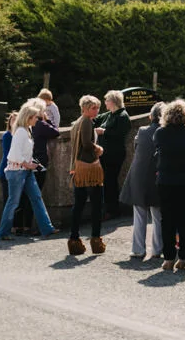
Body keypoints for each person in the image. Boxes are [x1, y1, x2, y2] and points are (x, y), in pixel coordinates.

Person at [0, 101, 57, 240]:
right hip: (17, 171)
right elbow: (13, 155)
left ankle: (47, 228)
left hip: (24, 170)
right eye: (35, 117)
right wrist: (28, 164)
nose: (38, 119)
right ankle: (3, 232)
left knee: (36, 198)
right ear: (28, 117)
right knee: (14, 202)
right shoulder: (21, 132)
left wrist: (29, 164)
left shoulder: (25, 130)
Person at [153, 99, 185, 272]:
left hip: (166, 180)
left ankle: (169, 257)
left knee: (168, 220)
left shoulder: (160, 133)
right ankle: (184, 255)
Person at [121, 102, 164, 260]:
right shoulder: (165, 132)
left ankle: (138, 249)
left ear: (150, 116)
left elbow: (136, 147)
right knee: (158, 215)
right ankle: (158, 249)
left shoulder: (142, 131)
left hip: (139, 175)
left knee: (139, 215)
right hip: (157, 176)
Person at [68, 94, 107, 255]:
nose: (96, 110)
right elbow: (86, 144)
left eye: (98, 107)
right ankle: (96, 239)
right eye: (93, 108)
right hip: (89, 167)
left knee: (79, 204)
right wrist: (98, 149)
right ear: (85, 108)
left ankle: (74, 239)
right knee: (97, 205)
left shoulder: (78, 122)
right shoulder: (85, 122)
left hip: (78, 166)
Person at [95, 89, 130, 217]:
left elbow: (121, 133)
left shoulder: (122, 116)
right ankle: (108, 209)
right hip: (105, 154)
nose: (105, 102)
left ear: (113, 102)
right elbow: (95, 119)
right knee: (106, 181)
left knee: (110, 181)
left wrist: (104, 132)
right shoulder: (109, 114)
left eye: (107, 100)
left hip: (115, 154)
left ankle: (113, 210)